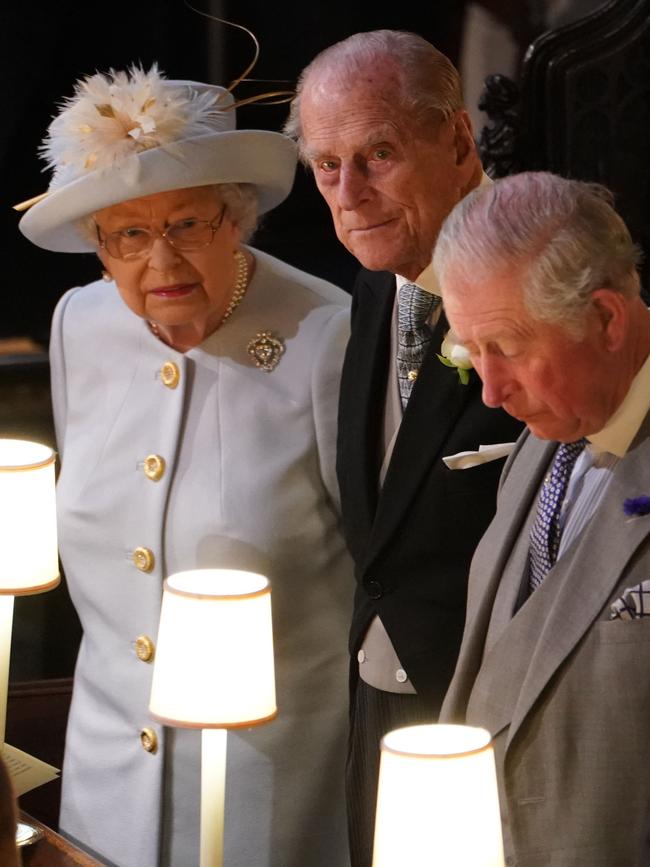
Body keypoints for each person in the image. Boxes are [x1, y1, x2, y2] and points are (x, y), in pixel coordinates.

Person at [17, 65, 354, 867]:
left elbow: (374, 575)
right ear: (100, 247)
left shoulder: (327, 335)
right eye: (129, 234)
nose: (160, 259)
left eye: (188, 224)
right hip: (103, 792)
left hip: (268, 796)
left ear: (235, 217)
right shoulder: (79, 325)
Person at [284, 30, 524, 865]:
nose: (348, 193)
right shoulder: (372, 290)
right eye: (325, 165)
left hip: (498, 727)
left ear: (458, 141)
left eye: (377, 153)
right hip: (378, 719)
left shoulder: (539, 277)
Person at [436, 172, 650, 866]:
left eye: (509, 347)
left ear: (607, 319)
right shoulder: (543, 436)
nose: (491, 392)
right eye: (473, 351)